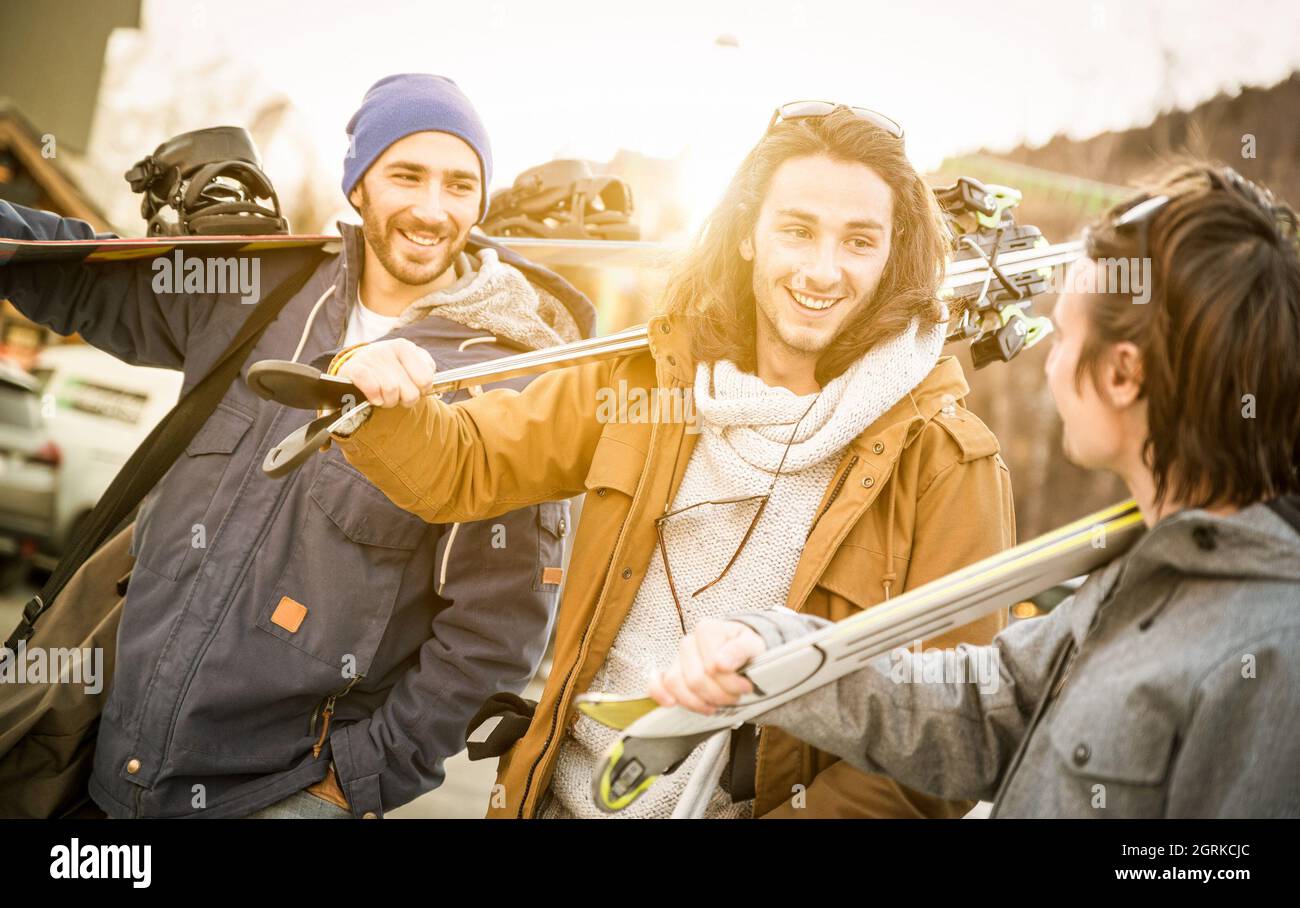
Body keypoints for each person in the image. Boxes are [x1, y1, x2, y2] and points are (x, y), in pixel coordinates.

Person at [327, 103, 1016, 818]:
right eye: (797, 230)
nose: (823, 269)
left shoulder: (945, 458)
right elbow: (463, 464)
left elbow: (944, 748)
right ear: (748, 235)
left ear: (891, 255)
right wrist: (379, 384)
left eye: (858, 241)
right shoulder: (649, 381)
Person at [0, 73, 593, 818]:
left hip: (273, 796)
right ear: (359, 185)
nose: (434, 209)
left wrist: (352, 784)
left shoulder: (506, 378)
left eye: (460, 183)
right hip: (111, 769)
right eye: (407, 175)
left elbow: (497, 631)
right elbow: (79, 274)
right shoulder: (259, 291)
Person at [648, 162, 1300, 818]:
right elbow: (983, 711)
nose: (1051, 359)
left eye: (1066, 336)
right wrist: (781, 655)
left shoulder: (1271, 655)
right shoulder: (1143, 572)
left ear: (1124, 375)